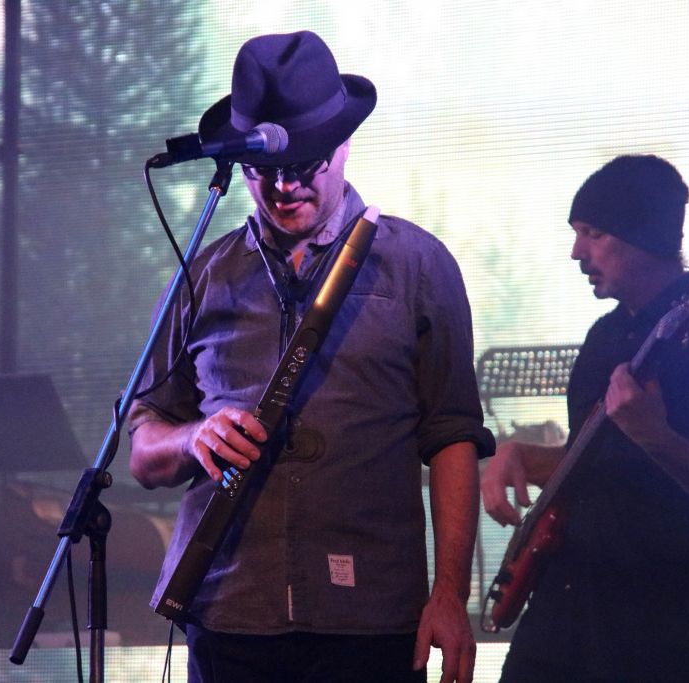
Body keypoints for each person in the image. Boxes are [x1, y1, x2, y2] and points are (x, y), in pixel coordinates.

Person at [128, 31, 496, 683]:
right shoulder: (202, 276)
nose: (284, 185)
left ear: (344, 144)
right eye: (262, 168)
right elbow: (142, 449)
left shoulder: (417, 265)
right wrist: (193, 437)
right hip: (228, 616)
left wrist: (449, 594)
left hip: (372, 621)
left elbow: (452, 438)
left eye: (306, 165)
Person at [481, 155, 689, 682]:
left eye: (593, 234)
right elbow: (594, 462)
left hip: (670, 629)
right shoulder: (603, 337)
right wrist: (520, 455)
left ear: (645, 238)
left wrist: (654, 436)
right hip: (570, 613)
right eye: (576, 234)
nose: (577, 252)